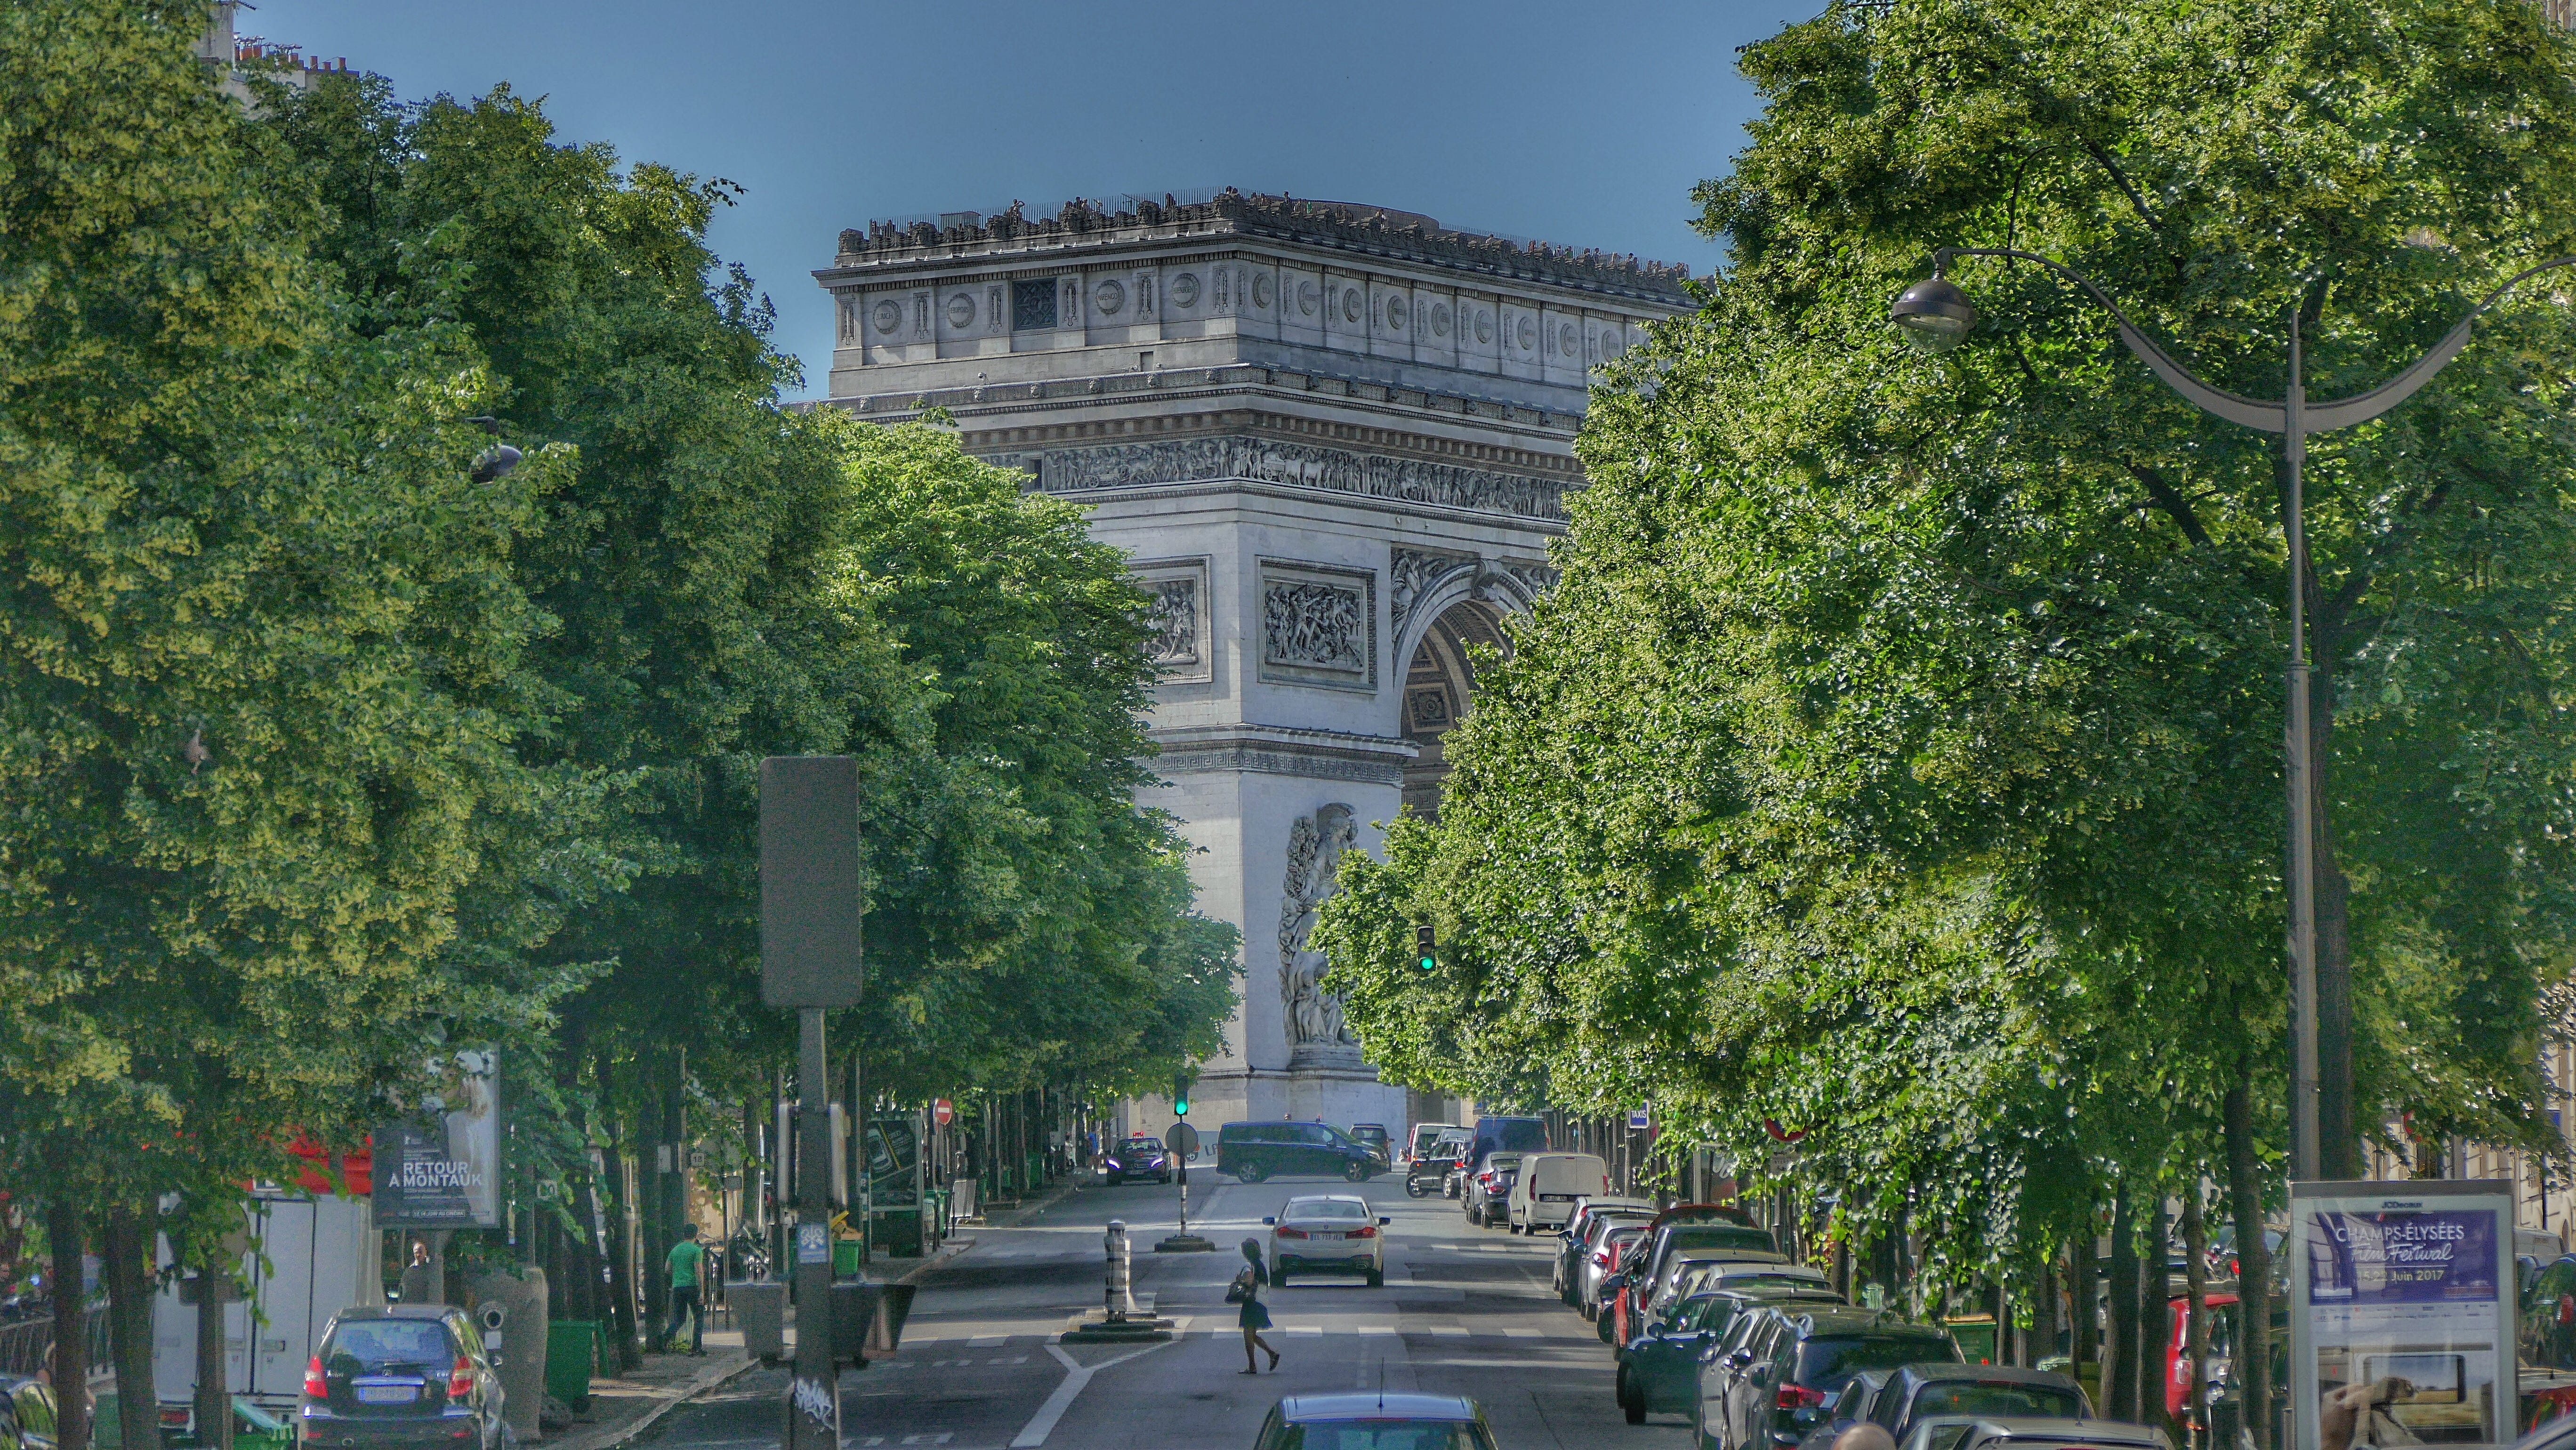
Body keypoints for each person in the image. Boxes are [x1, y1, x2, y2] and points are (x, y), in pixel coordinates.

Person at [1235, 1238, 1279, 1374]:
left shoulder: (1249, 1266)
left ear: (1245, 1252)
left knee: (1248, 1334)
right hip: (1261, 1300)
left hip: (1252, 1302)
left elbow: (1249, 1281)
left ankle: (1253, 1366)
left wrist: (1240, 1280)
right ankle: (1271, 1354)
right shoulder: (1260, 1265)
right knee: (1251, 1334)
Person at [663, 1224, 707, 1355]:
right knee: (699, 1317)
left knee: (679, 1318)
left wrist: (677, 1277)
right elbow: (699, 1271)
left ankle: (664, 1339)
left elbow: (667, 1269)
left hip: (678, 1287)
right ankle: (696, 1348)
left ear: (684, 1235)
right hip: (692, 1287)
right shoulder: (696, 1251)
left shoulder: (675, 1250)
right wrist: (702, 1291)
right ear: (696, 1235)